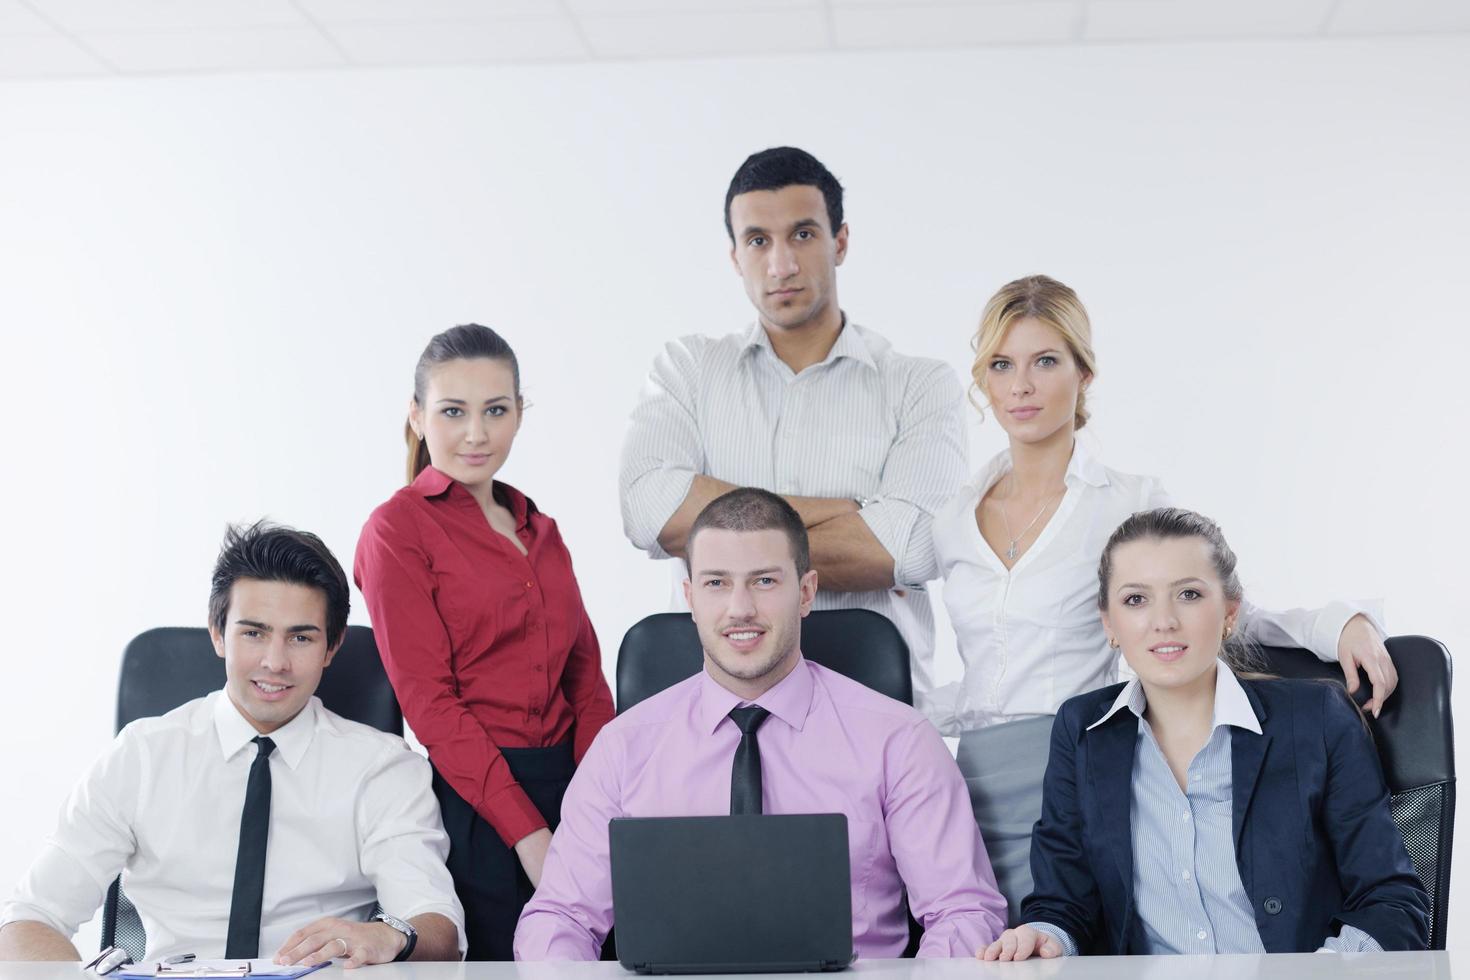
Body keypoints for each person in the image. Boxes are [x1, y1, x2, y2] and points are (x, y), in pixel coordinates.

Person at [930, 274, 1398, 920]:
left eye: (1045, 361)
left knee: (1069, 941)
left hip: (1075, 763)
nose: (1021, 386)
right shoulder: (952, 517)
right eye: (1002, 365)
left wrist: (1337, 624)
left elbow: (1208, 607)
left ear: (1084, 374)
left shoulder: (1127, 500)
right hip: (971, 780)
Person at [515, 488, 1006, 961]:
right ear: (690, 596)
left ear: (806, 592)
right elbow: (562, 918)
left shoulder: (899, 741)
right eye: (716, 583)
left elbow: (963, 912)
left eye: (765, 581)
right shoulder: (623, 748)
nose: (740, 608)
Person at [0, 522, 465, 966]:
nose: (275, 662)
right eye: (253, 632)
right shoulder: (141, 757)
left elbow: (437, 925)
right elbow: (27, 918)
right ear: (218, 633)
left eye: (300, 637)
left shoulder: (382, 768)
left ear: (332, 646)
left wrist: (390, 936)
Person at [980, 507, 1429, 959]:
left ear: (1230, 612)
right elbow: (1064, 903)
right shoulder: (1082, 730)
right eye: (1136, 599)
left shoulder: (1318, 719)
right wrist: (1045, 935)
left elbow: (1391, 902)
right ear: (1109, 624)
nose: (1164, 621)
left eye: (1189, 594)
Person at [618, 146, 967, 707]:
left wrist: (721, 531)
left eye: (803, 235)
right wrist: (851, 511)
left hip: (872, 706)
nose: (780, 264)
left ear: (841, 241)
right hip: (724, 712)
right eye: (758, 240)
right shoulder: (687, 370)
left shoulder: (918, 385)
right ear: (735, 255)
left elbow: (912, 545)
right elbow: (650, 510)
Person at [355, 324, 616, 961]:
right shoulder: (396, 530)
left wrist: (600, 800)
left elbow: (585, 675)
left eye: (496, 410)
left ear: (520, 413)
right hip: (477, 801)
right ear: (416, 416)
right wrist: (530, 837)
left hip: (577, 785)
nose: (477, 433)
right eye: (453, 412)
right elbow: (430, 705)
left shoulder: (541, 526)